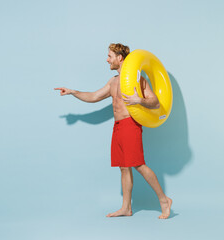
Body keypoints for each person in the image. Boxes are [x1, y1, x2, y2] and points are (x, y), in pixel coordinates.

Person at [54, 43, 172, 219]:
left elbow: (155, 103)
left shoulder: (138, 80)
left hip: (131, 125)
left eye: (110, 56)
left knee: (139, 165)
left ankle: (164, 200)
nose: (107, 59)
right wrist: (73, 92)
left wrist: (138, 99)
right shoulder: (113, 81)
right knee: (124, 168)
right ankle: (126, 208)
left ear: (120, 58)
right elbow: (94, 96)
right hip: (117, 127)